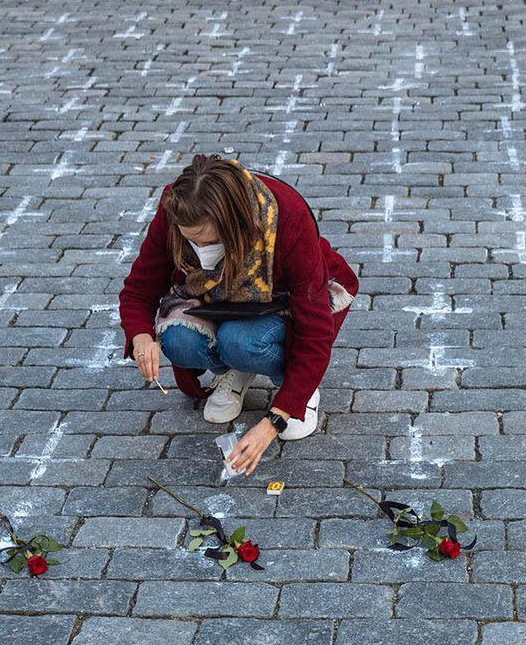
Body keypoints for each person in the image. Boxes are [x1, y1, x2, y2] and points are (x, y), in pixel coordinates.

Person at [119, 156, 358, 476]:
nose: (198, 248)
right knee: (176, 340)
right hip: (219, 300)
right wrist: (141, 336)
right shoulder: (177, 208)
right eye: (190, 239)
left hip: (279, 300)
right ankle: (235, 369)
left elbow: (315, 328)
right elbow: (138, 290)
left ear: (234, 224)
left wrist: (274, 421)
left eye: (208, 241)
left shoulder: (288, 218)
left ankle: (296, 386)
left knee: (241, 341)